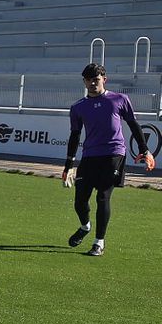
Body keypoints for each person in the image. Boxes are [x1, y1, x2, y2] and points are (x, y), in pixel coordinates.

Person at [62, 63, 153, 256]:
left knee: (103, 196)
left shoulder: (119, 99)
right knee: (79, 201)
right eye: (89, 80)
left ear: (104, 79)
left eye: (96, 79)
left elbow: (134, 125)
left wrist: (145, 150)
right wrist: (68, 165)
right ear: (84, 82)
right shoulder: (78, 107)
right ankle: (85, 227)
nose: (93, 83)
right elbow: (75, 136)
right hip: (89, 156)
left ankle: (98, 242)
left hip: (114, 154)